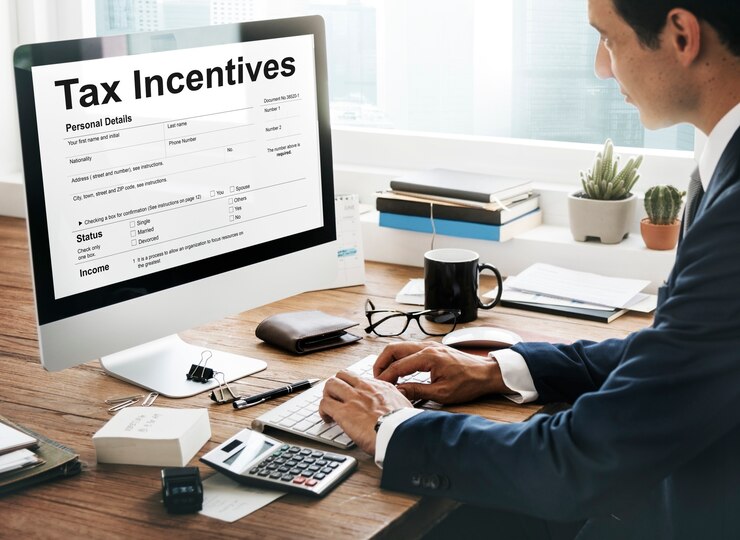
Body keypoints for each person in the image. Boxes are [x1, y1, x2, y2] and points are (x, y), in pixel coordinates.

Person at [319, 0, 740, 538]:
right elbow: (681, 352)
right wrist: (502, 369)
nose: (601, 67)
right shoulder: (724, 159)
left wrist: (393, 426)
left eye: (608, 38)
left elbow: (579, 464)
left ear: (682, 35)